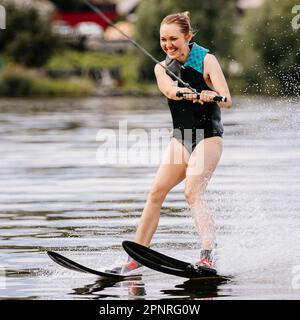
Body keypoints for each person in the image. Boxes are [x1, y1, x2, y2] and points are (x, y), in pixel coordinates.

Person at [109, 11, 232, 275]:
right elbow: (168, 89)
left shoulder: (207, 60)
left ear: (188, 36)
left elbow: (227, 99)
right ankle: (134, 259)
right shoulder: (162, 67)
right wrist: (183, 93)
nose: (168, 45)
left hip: (208, 137)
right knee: (155, 193)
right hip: (182, 139)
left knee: (192, 192)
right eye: (163, 40)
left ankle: (208, 255)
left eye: (174, 39)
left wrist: (211, 95)